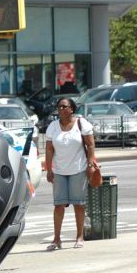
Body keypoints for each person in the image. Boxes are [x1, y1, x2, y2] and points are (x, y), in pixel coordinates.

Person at [44, 97, 98, 250]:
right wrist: (49, 169)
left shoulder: (82, 124)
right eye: (59, 107)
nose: (61, 109)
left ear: (72, 109)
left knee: (78, 204)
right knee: (58, 205)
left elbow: (90, 144)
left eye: (64, 106)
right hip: (59, 171)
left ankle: (79, 237)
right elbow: (49, 149)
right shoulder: (53, 127)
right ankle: (56, 239)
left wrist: (90, 164)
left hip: (78, 169)